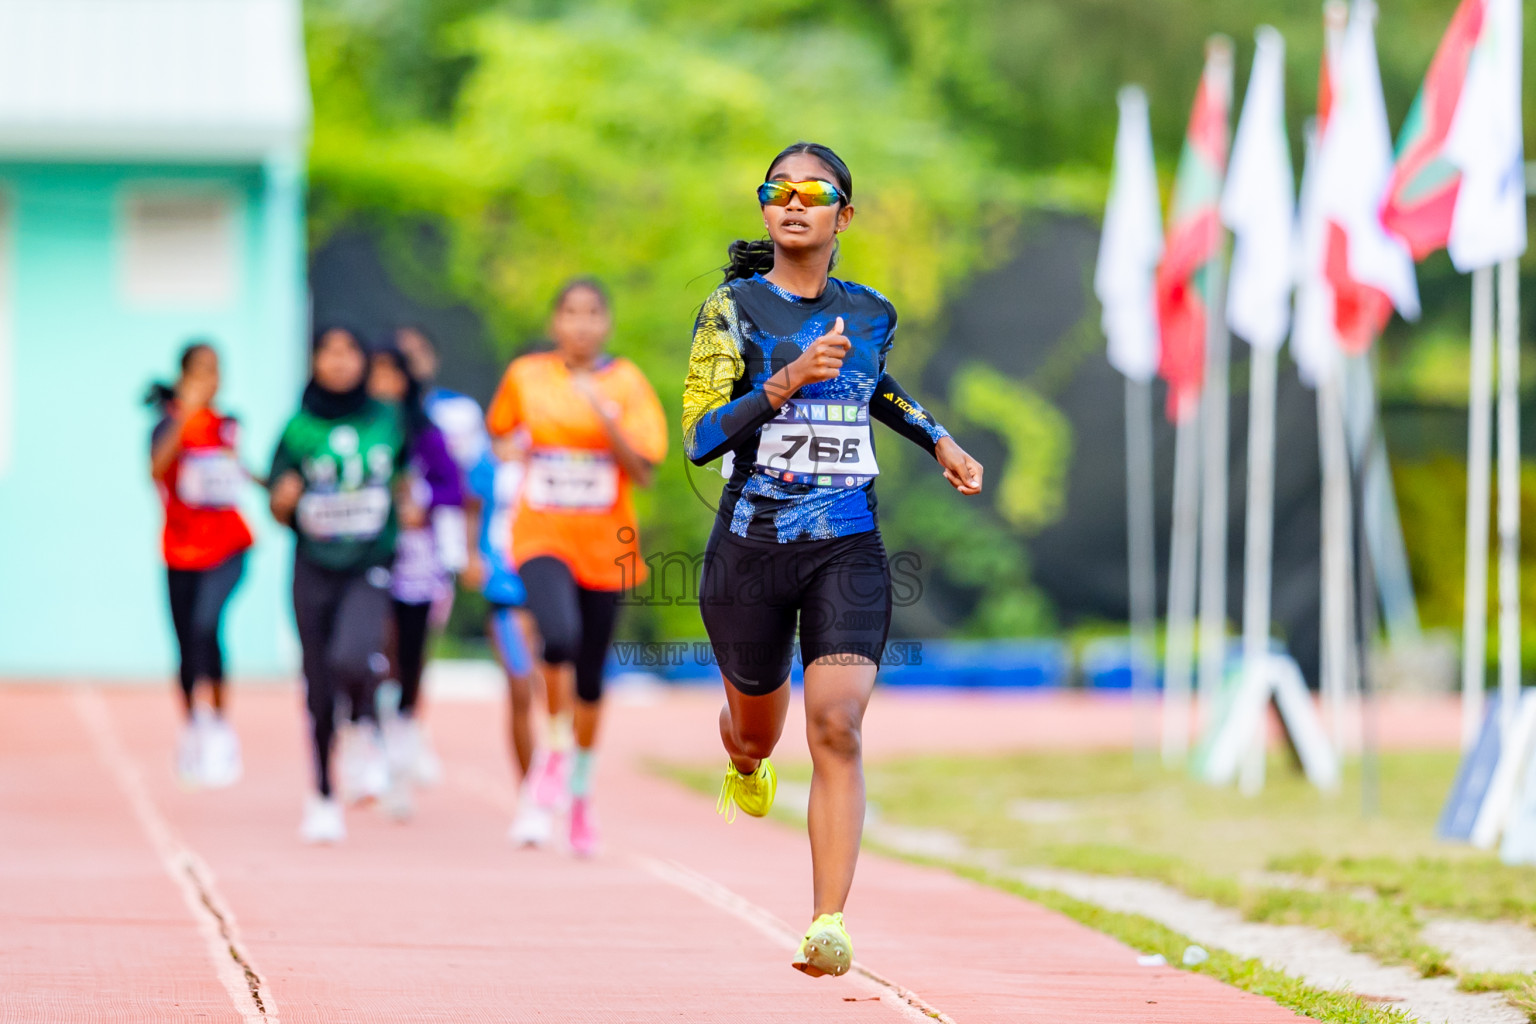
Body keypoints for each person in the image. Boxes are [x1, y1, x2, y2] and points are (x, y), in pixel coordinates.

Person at [683, 142, 984, 976]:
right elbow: (701, 437)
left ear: (843, 215)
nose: (792, 202)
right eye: (777, 190)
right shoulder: (730, 311)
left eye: (813, 192)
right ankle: (743, 759)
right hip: (751, 548)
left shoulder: (874, 310)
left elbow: (875, 385)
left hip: (846, 544)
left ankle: (827, 922)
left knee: (837, 726)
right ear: (766, 209)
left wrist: (939, 438)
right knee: (758, 732)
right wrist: (779, 386)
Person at [486, 279, 667, 856]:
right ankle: (555, 751)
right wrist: (509, 450)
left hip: (607, 544)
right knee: (557, 635)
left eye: (593, 314)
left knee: (590, 677)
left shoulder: (627, 382)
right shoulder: (526, 376)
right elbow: (500, 435)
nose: (582, 325)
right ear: (555, 321)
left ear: (607, 324)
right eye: (571, 313)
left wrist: (605, 416)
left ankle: (580, 797)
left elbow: (644, 470)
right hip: (541, 533)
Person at [269, 326, 411, 844]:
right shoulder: (298, 428)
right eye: (328, 351)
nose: (340, 360)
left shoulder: (387, 417)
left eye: (350, 349)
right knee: (318, 683)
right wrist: (282, 502)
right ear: (314, 361)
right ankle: (322, 794)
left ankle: (364, 729)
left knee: (354, 656)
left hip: (369, 561)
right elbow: (278, 500)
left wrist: (411, 497)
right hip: (313, 565)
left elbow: (410, 471)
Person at [146, 341, 253, 788]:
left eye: (216, 371)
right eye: (201, 371)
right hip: (179, 550)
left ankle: (221, 727)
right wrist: (185, 417)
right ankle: (193, 725)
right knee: (186, 639)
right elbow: (156, 469)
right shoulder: (166, 425)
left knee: (208, 625)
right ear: (184, 377)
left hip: (228, 546)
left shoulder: (228, 426)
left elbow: (241, 472)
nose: (211, 380)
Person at [365, 347, 466, 818]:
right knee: (366, 650)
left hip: (416, 560)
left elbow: (454, 486)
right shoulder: (355, 429)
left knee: (408, 655)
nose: (384, 385)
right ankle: (370, 743)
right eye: (376, 375)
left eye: (392, 375)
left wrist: (420, 499)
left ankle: (402, 747)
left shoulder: (425, 433)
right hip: (361, 556)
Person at [462, 430, 542, 842]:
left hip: (557, 578)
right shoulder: (488, 459)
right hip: (505, 582)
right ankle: (530, 795)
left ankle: (564, 775)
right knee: (519, 685)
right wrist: (471, 554)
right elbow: (472, 507)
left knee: (554, 687)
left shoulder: (562, 445)